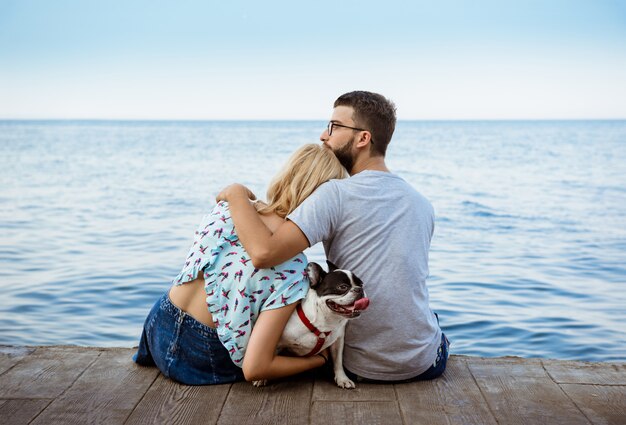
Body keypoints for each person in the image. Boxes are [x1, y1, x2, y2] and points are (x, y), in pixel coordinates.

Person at [217, 91, 449, 382]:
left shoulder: (335, 194)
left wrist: (236, 192)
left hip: (358, 367)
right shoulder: (422, 203)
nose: (323, 136)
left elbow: (264, 253)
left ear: (362, 138)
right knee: (432, 322)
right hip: (423, 362)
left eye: (333, 126)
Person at [133, 144, 347, 385]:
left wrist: (237, 193)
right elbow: (255, 368)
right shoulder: (294, 272)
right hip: (202, 356)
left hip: (159, 323)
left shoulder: (229, 209)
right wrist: (319, 360)